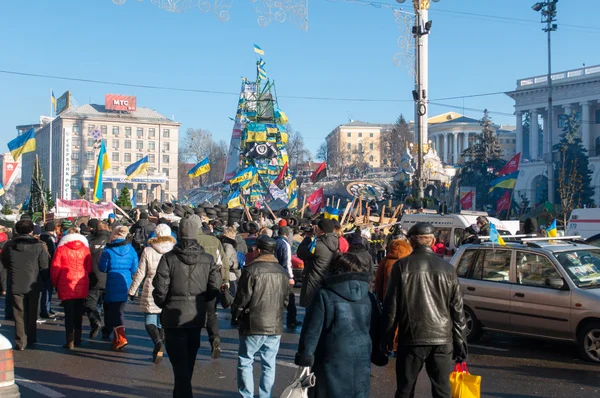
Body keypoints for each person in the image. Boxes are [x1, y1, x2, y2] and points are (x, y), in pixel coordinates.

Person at [383, 222, 468, 398]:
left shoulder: (401, 267)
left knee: (405, 390)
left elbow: (391, 307)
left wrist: (387, 338)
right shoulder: (448, 268)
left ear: (412, 242)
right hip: (442, 338)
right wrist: (460, 341)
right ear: (433, 241)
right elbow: (458, 310)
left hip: (411, 337)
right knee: (442, 390)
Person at [152, 218, 222, 398]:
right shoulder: (207, 259)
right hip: (195, 317)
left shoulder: (169, 258)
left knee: (179, 365)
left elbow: (160, 288)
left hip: (173, 317)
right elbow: (214, 287)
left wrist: (163, 303)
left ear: (180, 233)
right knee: (187, 363)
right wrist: (203, 301)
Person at [295, 253, 373, 398]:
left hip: (332, 354)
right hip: (362, 353)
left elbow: (312, 330)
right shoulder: (368, 296)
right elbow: (374, 326)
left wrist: (305, 355)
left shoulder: (325, 295)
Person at [233, 235, 289, 398]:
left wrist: (237, 315)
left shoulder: (251, 270)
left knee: (245, 361)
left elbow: (242, 299)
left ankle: (247, 395)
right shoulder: (282, 272)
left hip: (254, 322)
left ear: (259, 249)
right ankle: (266, 395)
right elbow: (286, 299)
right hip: (275, 324)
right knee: (269, 364)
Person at [128, 223, 175, 363]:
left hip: (151, 287)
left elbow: (140, 273)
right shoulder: (173, 250)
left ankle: (157, 342)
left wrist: (132, 290)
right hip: (168, 288)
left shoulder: (148, 250)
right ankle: (160, 344)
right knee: (162, 321)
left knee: (150, 320)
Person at [0, 220, 49, 350]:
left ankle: (21, 341)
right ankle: (31, 337)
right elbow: (44, 265)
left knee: (18, 313)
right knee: (32, 312)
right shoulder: (38, 245)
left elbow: (4, 262)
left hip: (16, 281)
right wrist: (45, 281)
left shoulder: (9, 245)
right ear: (31, 230)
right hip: (33, 282)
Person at [192, 214, 227, 358]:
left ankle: (194, 345)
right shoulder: (215, 241)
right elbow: (222, 262)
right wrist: (224, 280)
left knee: (192, 315)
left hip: (194, 282)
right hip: (212, 282)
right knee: (211, 313)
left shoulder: (189, 240)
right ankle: (215, 338)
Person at [50, 227, 92, 349]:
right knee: (79, 312)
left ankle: (70, 341)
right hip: (81, 282)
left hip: (65, 282)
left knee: (68, 313)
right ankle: (78, 338)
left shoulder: (61, 249)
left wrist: (54, 283)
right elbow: (89, 268)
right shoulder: (85, 249)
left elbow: (55, 267)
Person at [98, 226, 139, 350]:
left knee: (112, 310)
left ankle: (121, 337)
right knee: (120, 309)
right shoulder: (131, 249)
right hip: (125, 281)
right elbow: (134, 268)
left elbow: (102, 268)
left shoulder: (108, 250)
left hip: (112, 281)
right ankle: (117, 338)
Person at [297, 219, 339, 308]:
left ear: (320, 230)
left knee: (311, 310)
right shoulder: (335, 241)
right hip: (327, 280)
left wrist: (307, 238)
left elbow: (301, 253)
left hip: (314, 281)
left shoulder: (318, 245)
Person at [85, 221, 111, 339]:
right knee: (109, 306)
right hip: (110, 277)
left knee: (90, 302)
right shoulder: (113, 242)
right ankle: (107, 330)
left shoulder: (90, 241)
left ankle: (95, 321)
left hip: (94, 276)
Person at [275, 226, 301, 328]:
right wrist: (290, 277)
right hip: (283, 275)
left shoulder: (274, 241)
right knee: (290, 299)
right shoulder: (285, 244)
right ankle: (291, 320)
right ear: (286, 234)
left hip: (274, 273)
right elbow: (287, 262)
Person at [39, 221, 57, 318]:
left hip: (40, 265)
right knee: (47, 288)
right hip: (49, 265)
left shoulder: (40, 237)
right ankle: (46, 309)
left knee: (43, 288)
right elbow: (54, 253)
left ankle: (46, 308)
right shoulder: (51, 239)